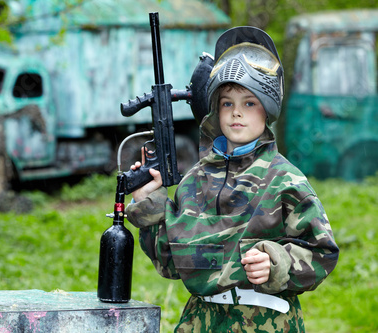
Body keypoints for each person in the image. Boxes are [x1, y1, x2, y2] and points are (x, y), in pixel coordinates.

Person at [125, 26, 339, 332]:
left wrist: (276, 261)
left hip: (265, 322)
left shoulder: (284, 179)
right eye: (227, 103)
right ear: (215, 108)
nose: (236, 113)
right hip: (200, 321)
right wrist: (148, 203)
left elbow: (322, 252)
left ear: (267, 109)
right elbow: (172, 263)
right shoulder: (195, 181)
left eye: (249, 103)